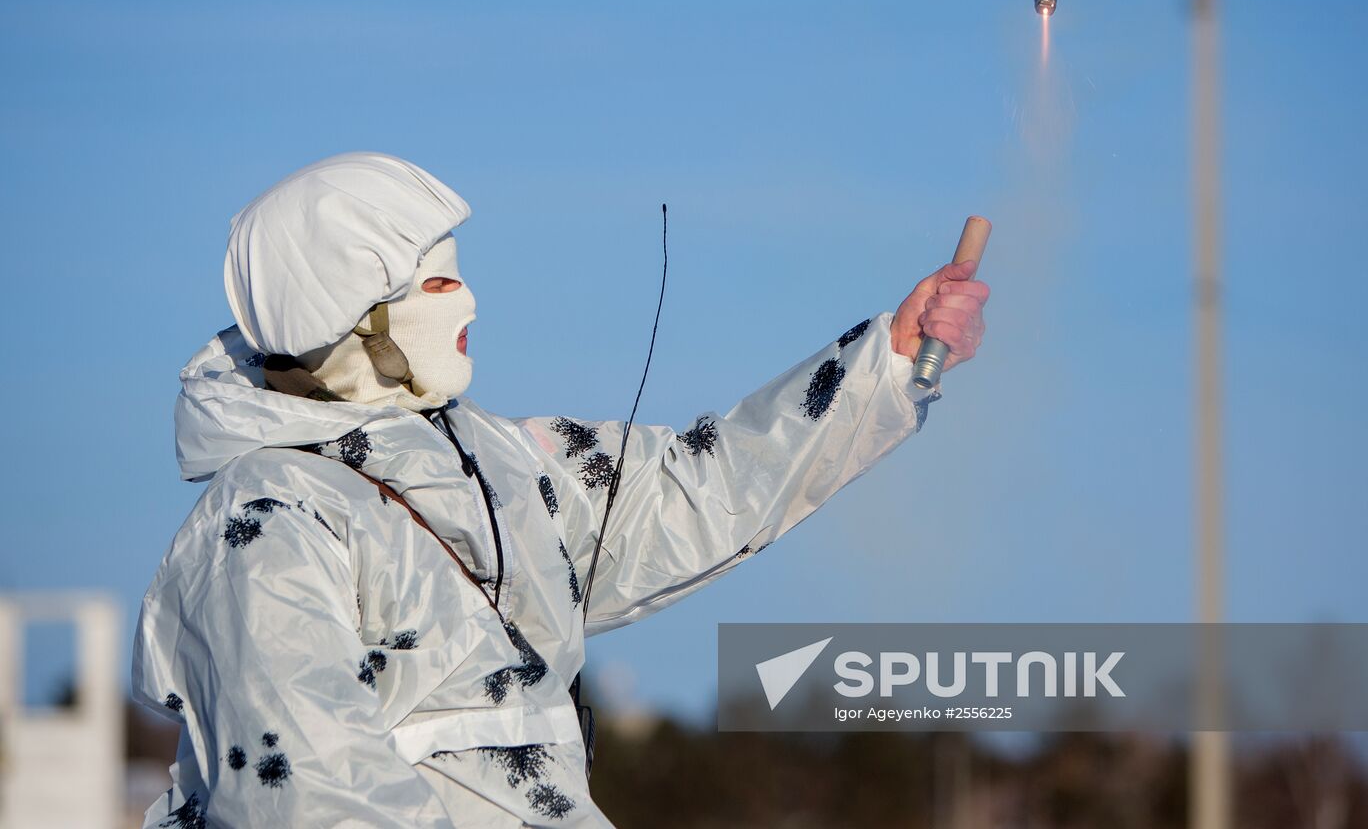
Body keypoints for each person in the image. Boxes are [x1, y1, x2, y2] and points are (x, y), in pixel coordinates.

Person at [133, 151, 989, 828]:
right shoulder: (267, 520)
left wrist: (886, 362)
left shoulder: (503, 465)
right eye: (435, 282)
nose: (467, 299)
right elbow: (309, 793)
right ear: (351, 316)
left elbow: (699, 488)